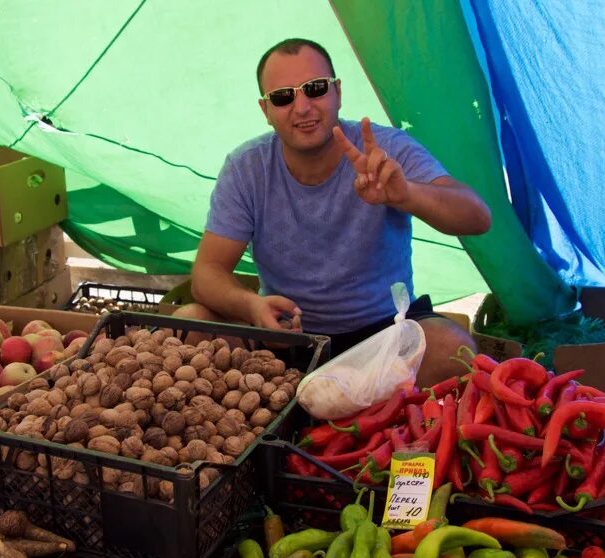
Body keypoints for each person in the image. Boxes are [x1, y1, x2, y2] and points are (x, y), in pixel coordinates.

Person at [174, 38, 491, 387]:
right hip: (284, 340)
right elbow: (207, 272)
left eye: (315, 89)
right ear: (266, 110)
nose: (302, 107)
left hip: (383, 339)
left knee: (452, 349)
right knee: (191, 323)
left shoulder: (385, 150)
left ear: (337, 91)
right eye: (284, 96)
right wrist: (252, 307)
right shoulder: (247, 168)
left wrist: (407, 194)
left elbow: (477, 218)